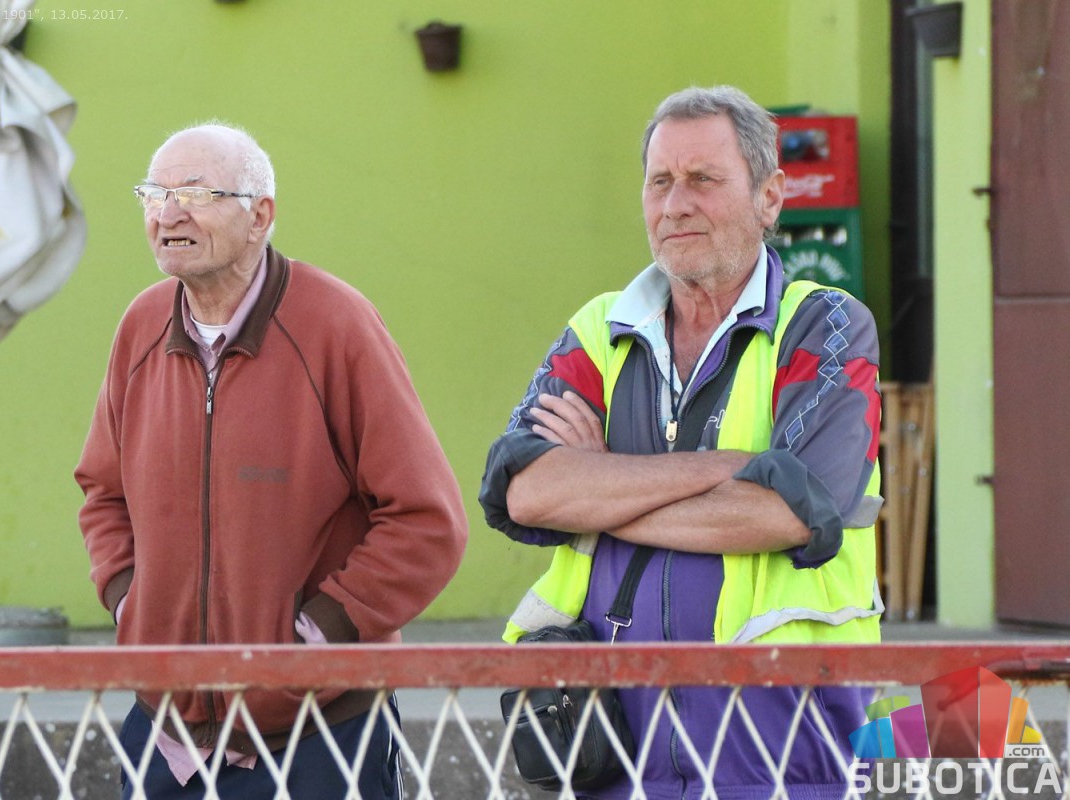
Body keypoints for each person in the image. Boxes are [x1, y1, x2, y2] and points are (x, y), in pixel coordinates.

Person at [480, 86, 883, 798]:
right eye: (659, 181)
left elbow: (787, 512)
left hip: (785, 747)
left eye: (703, 179)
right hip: (611, 748)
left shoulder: (825, 326)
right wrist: (726, 470)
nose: (675, 205)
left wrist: (600, 486)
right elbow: (525, 491)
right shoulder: (601, 328)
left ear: (769, 197)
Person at [75, 122, 468, 799]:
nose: (168, 214)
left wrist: (315, 637)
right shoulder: (141, 326)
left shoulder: (336, 325)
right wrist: (131, 605)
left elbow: (428, 521)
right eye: (154, 194)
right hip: (166, 734)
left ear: (260, 216)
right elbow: (103, 493)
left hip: (321, 734)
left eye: (195, 193)